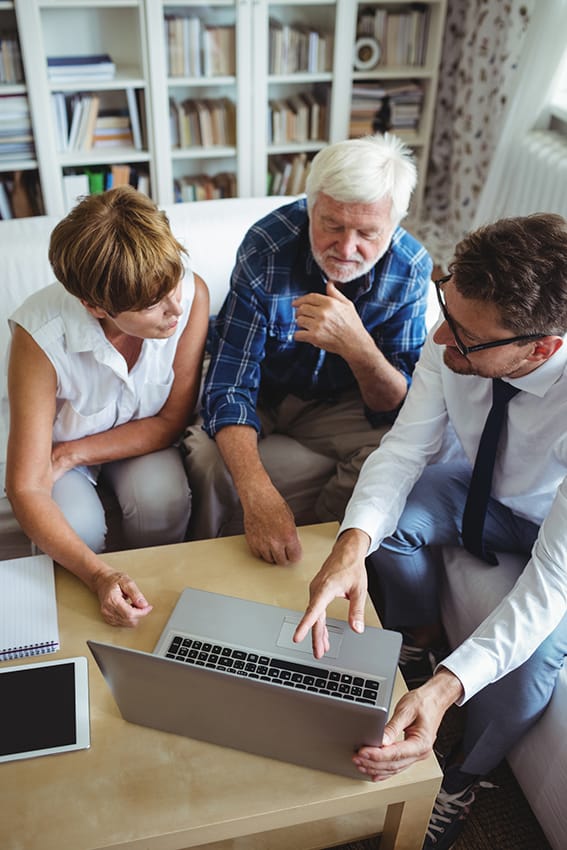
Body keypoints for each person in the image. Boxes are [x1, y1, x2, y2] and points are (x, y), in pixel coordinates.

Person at [293, 212, 567, 850]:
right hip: (479, 493)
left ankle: (464, 776)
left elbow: (552, 580)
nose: (441, 336)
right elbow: (403, 451)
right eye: (447, 308)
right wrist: (350, 547)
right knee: (382, 528)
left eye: (467, 337)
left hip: (554, 532)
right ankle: (416, 639)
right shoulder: (454, 335)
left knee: (529, 669)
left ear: (541, 349)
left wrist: (448, 689)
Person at [184, 133, 433, 564]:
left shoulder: (410, 268)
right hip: (263, 390)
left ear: (393, 225)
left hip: (341, 403)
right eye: (332, 225)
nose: (347, 248)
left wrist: (358, 346)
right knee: (206, 457)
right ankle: (202, 560)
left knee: (389, 454)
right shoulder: (267, 246)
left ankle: (316, 557)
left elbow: (396, 406)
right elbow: (230, 384)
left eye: (367, 233)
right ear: (310, 206)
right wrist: (260, 495)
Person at [5, 186, 209, 627]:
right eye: (152, 304)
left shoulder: (191, 295)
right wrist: (99, 576)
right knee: (76, 526)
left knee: (164, 499)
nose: (176, 309)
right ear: (95, 306)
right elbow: (25, 487)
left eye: (174, 282)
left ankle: (156, 606)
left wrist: (71, 453)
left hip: (140, 438)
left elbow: (171, 419)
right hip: (62, 451)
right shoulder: (39, 335)